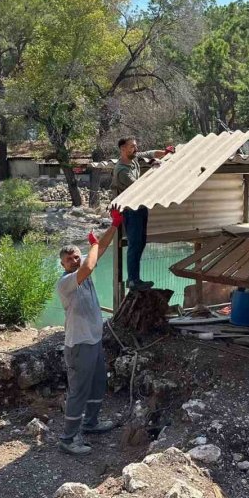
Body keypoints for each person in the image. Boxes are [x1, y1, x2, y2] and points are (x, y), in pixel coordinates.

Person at [56, 208, 124, 455]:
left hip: (93, 341)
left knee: (97, 383)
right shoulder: (66, 282)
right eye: (69, 259)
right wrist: (92, 247)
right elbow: (90, 264)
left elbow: (100, 251)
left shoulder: (85, 271)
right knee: (78, 392)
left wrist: (114, 226)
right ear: (63, 264)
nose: (74, 261)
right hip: (79, 345)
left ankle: (91, 423)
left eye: (76, 257)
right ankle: (67, 438)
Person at [110, 137, 176, 291]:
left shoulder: (133, 158)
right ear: (123, 149)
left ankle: (136, 279)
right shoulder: (122, 170)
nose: (136, 148)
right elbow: (139, 187)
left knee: (140, 243)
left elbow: (150, 152)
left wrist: (165, 152)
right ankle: (133, 281)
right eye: (132, 146)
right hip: (130, 211)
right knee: (134, 245)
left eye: (136, 145)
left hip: (139, 207)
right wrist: (155, 169)